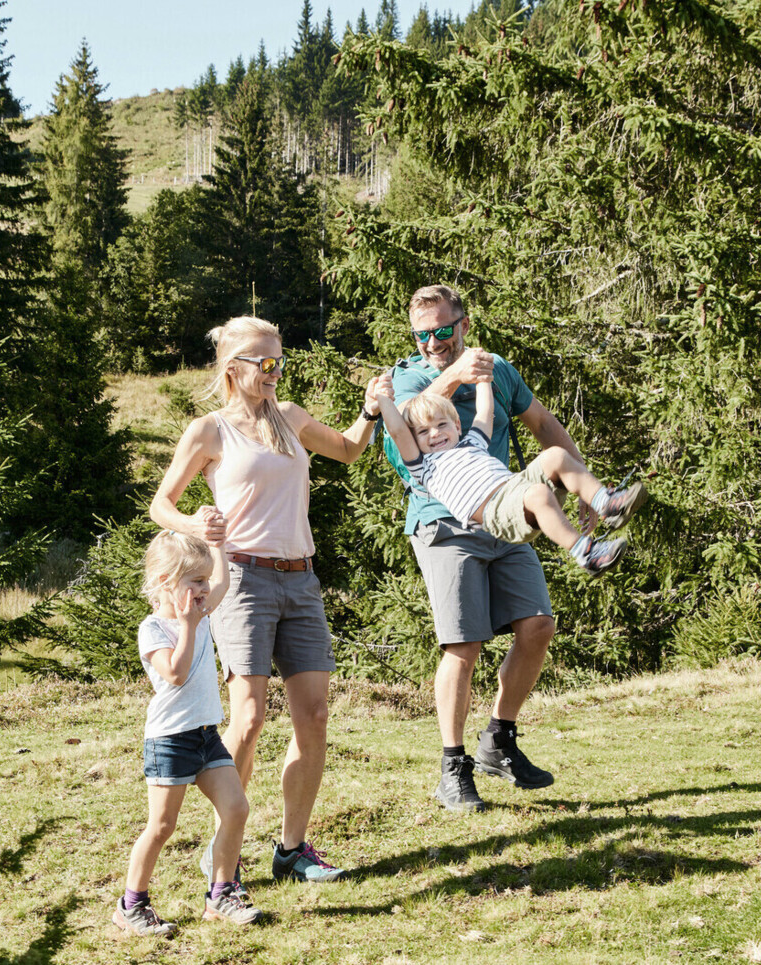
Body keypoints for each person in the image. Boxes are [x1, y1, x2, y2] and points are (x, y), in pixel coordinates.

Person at [151, 316, 391, 883]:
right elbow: (162, 503)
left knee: (314, 715)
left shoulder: (290, 418)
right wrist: (194, 521)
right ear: (233, 369)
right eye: (265, 362)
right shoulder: (209, 430)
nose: (275, 371)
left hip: (301, 579)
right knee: (251, 717)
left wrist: (371, 408)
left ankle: (292, 850)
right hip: (242, 580)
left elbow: (351, 451)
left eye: (279, 360)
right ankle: (224, 854)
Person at [384, 284, 626, 813]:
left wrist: (585, 482)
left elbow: (543, 424)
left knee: (538, 625)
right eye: (423, 334)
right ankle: (453, 767)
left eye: (443, 331)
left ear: (463, 325)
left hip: (505, 510)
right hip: (444, 525)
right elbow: (398, 427)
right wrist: (454, 376)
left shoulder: (497, 369)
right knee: (463, 647)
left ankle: (498, 739)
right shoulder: (410, 376)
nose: (433, 343)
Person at [113, 530, 260, 938]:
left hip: (205, 735)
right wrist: (190, 624)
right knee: (161, 826)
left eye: (204, 580)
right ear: (164, 582)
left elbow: (225, 579)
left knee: (236, 809)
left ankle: (221, 893)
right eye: (195, 581)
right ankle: (131, 905)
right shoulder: (154, 630)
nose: (204, 589)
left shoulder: (200, 608)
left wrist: (217, 539)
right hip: (169, 741)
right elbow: (175, 674)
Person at [376, 380, 646, 572]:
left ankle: (607, 503)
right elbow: (399, 430)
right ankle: (587, 554)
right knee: (538, 494)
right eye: (423, 432)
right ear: (414, 441)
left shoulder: (473, 442)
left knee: (556, 455)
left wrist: (483, 377)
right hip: (496, 512)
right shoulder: (424, 467)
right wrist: (383, 398)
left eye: (442, 425)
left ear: (457, 425)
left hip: (517, 487)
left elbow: (485, 412)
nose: (435, 434)